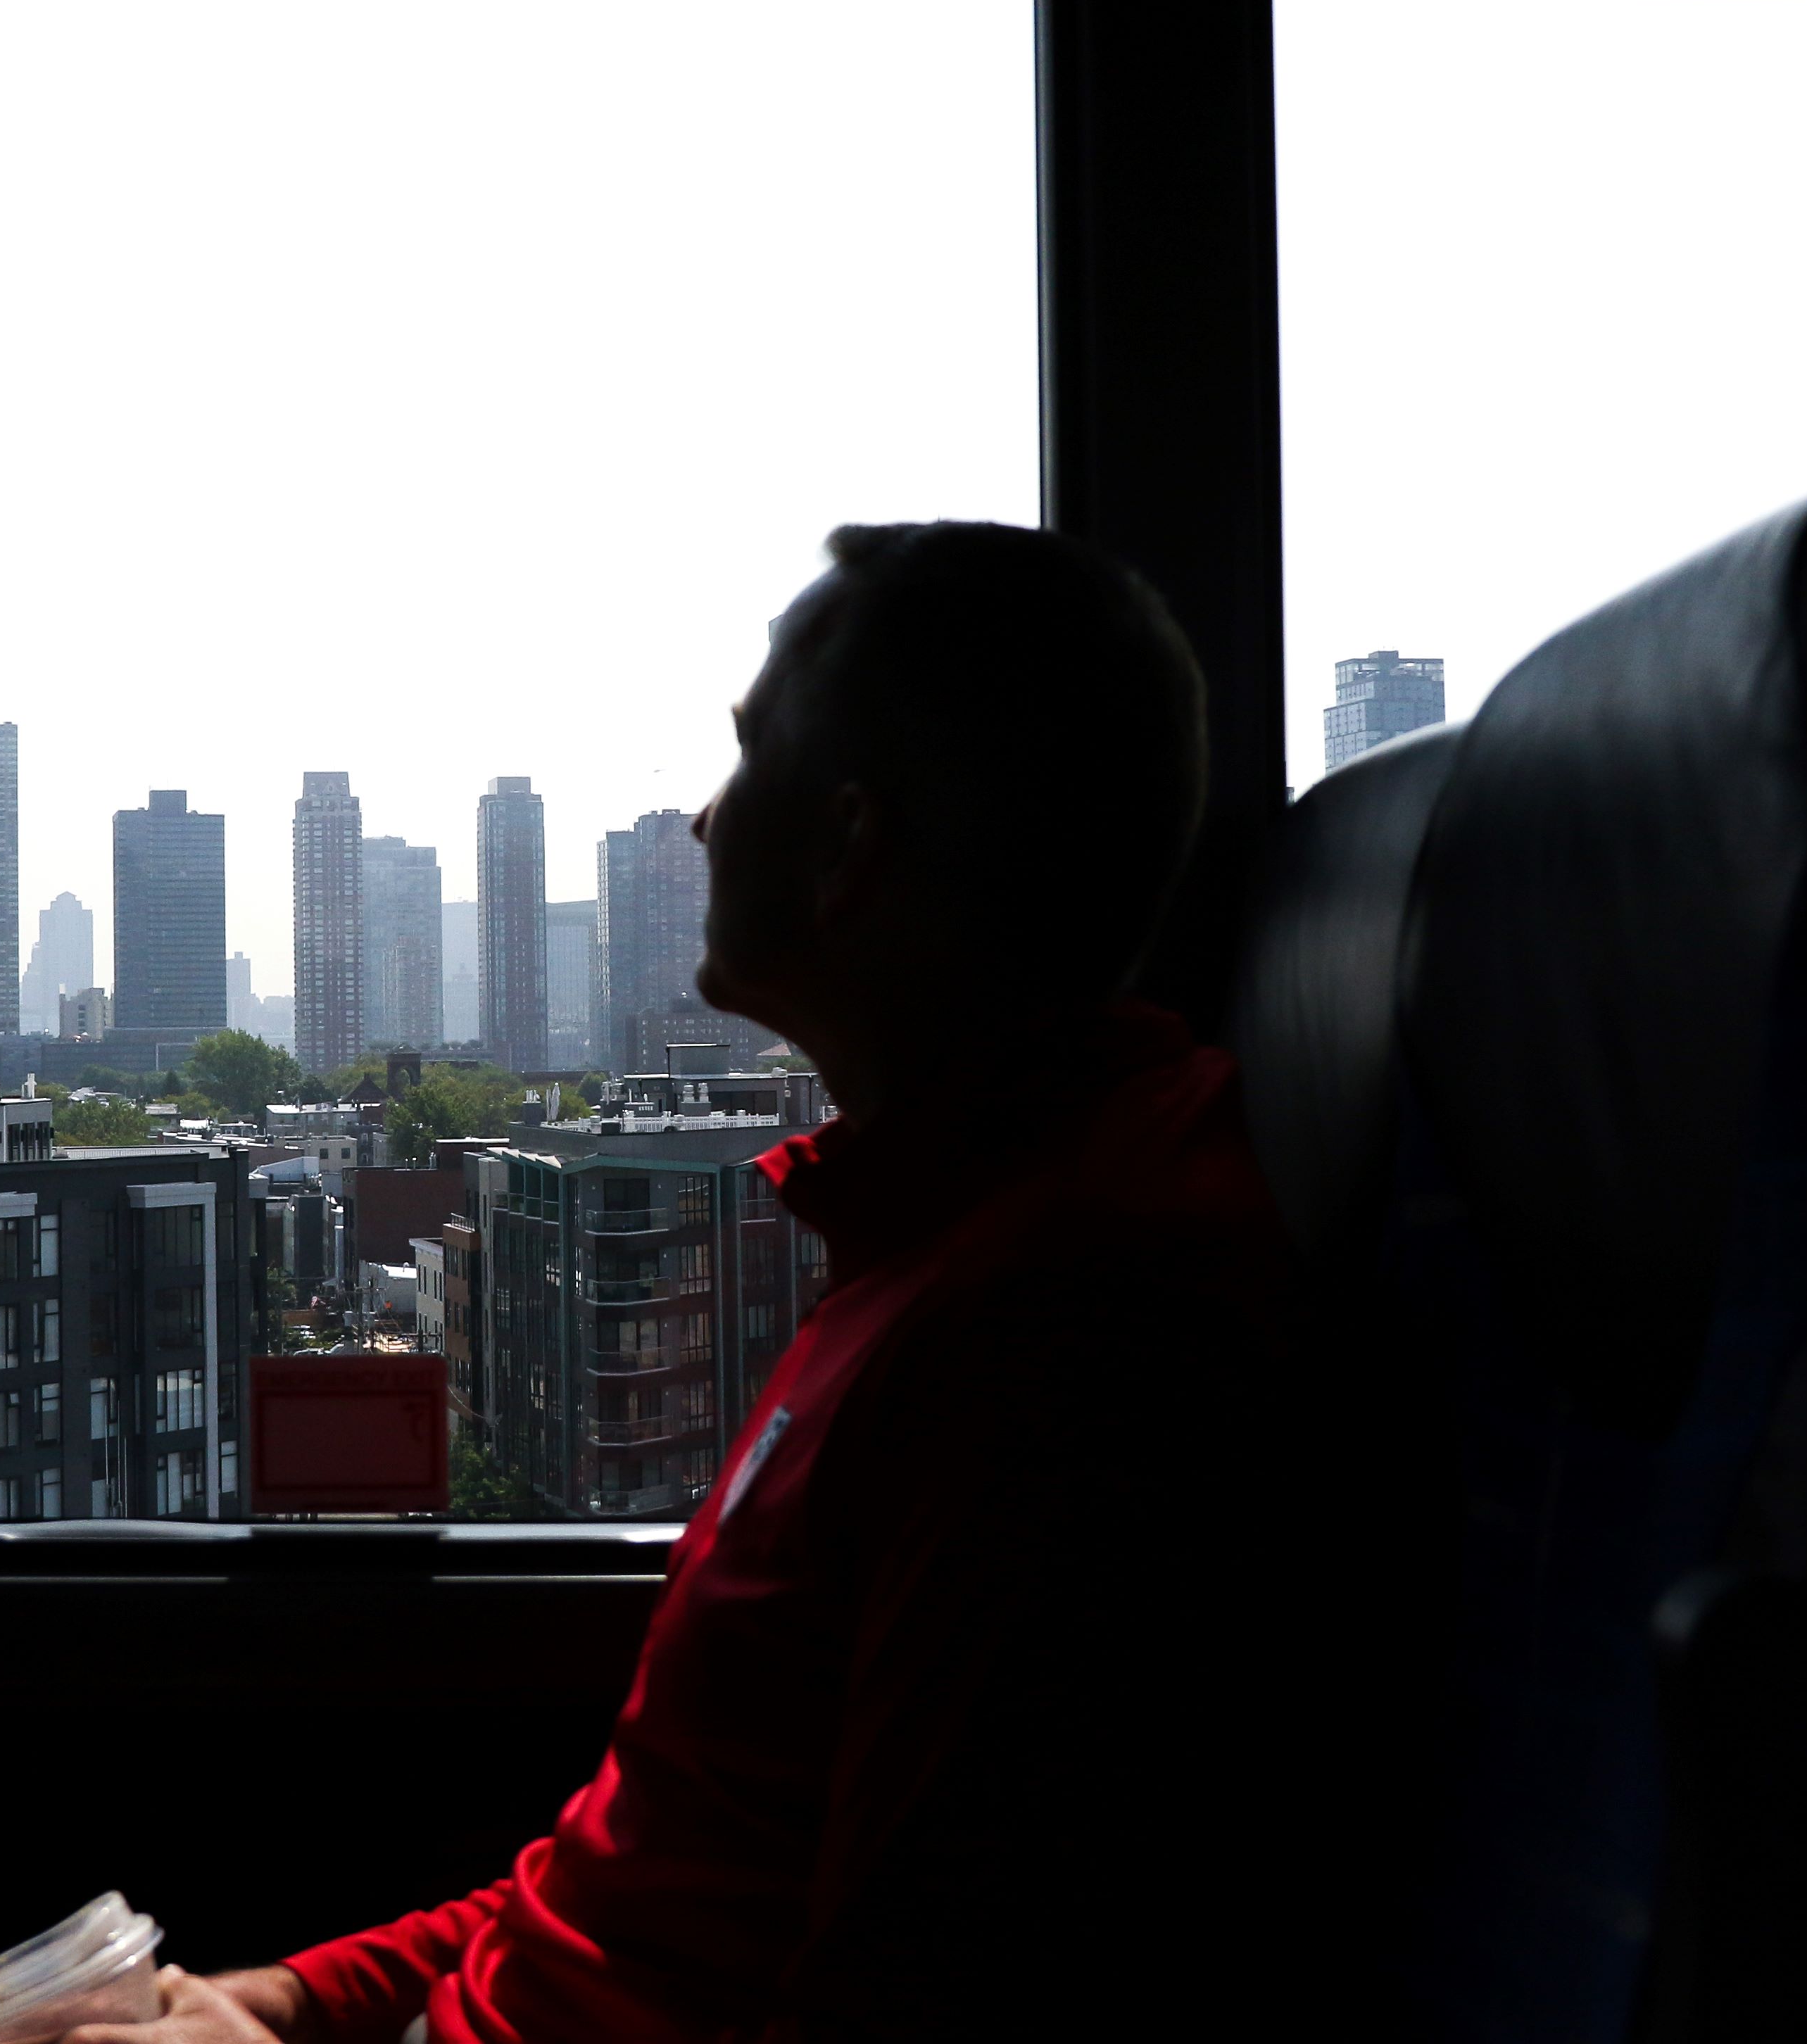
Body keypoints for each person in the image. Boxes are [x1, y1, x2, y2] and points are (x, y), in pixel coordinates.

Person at [77, 521, 1339, 2044]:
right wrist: (284, 2001)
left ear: (850, 846)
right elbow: (649, 1875)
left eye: (748, 762)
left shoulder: (1064, 1346)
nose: (698, 818)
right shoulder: (926, 1250)